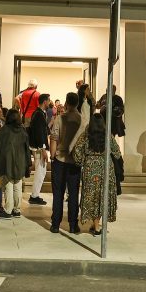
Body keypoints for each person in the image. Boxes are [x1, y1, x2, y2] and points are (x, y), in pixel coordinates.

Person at [73, 112, 121, 235]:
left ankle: (95, 225)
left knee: (92, 195)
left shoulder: (86, 135)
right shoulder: (108, 135)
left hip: (90, 168)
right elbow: (117, 152)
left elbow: (77, 150)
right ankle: (97, 225)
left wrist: (82, 161)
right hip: (106, 167)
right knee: (102, 195)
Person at [0, 108, 30, 219]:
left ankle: (8, 210)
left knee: (9, 186)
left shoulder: (4, 131)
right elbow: (27, 148)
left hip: (8, 162)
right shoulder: (23, 131)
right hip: (20, 162)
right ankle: (17, 210)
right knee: (17, 185)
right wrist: (27, 163)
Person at [49, 92, 83, 234]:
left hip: (60, 159)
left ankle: (55, 224)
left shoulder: (59, 119)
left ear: (67, 103)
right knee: (73, 193)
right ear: (77, 103)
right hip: (75, 161)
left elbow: (54, 138)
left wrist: (52, 156)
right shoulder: (82, 119)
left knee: (58, 192)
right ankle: (73, 225)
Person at [27, 94, 51, 206]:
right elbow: (39, 133)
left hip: (38, 147)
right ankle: (34, 196)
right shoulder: (39, 114)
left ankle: (35, 195)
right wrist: (43, 149)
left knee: (41, 171)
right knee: (40, 171)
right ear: (44, 101)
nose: (49, 102)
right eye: (48, 100)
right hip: (39, 148)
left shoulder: (39, 113)